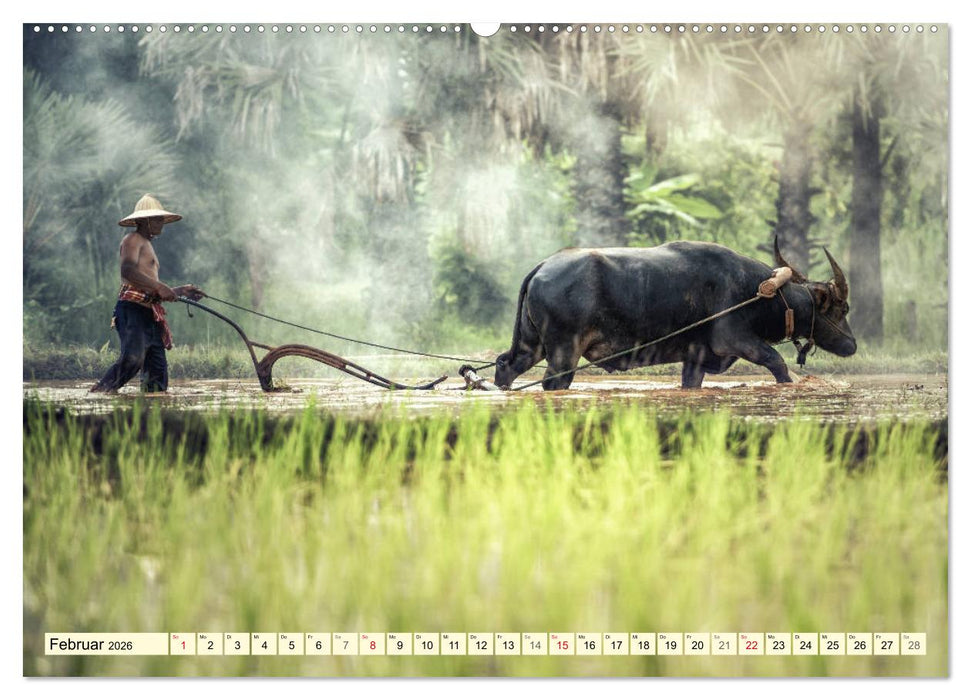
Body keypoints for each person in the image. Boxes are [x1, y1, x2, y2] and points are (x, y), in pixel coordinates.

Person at [90, 194, 205, 393]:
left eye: (162, 219)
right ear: (145, 220)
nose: (161, 223)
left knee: (157, 376)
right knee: (133, 360)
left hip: (149, 314)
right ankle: (98, 395)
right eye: (158, 219)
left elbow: (151, 288)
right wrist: (160, 287)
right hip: (132, 311)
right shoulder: (132, 239)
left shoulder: (148, 245)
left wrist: (181, 290)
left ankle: (151, 412)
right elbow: (127, 270)